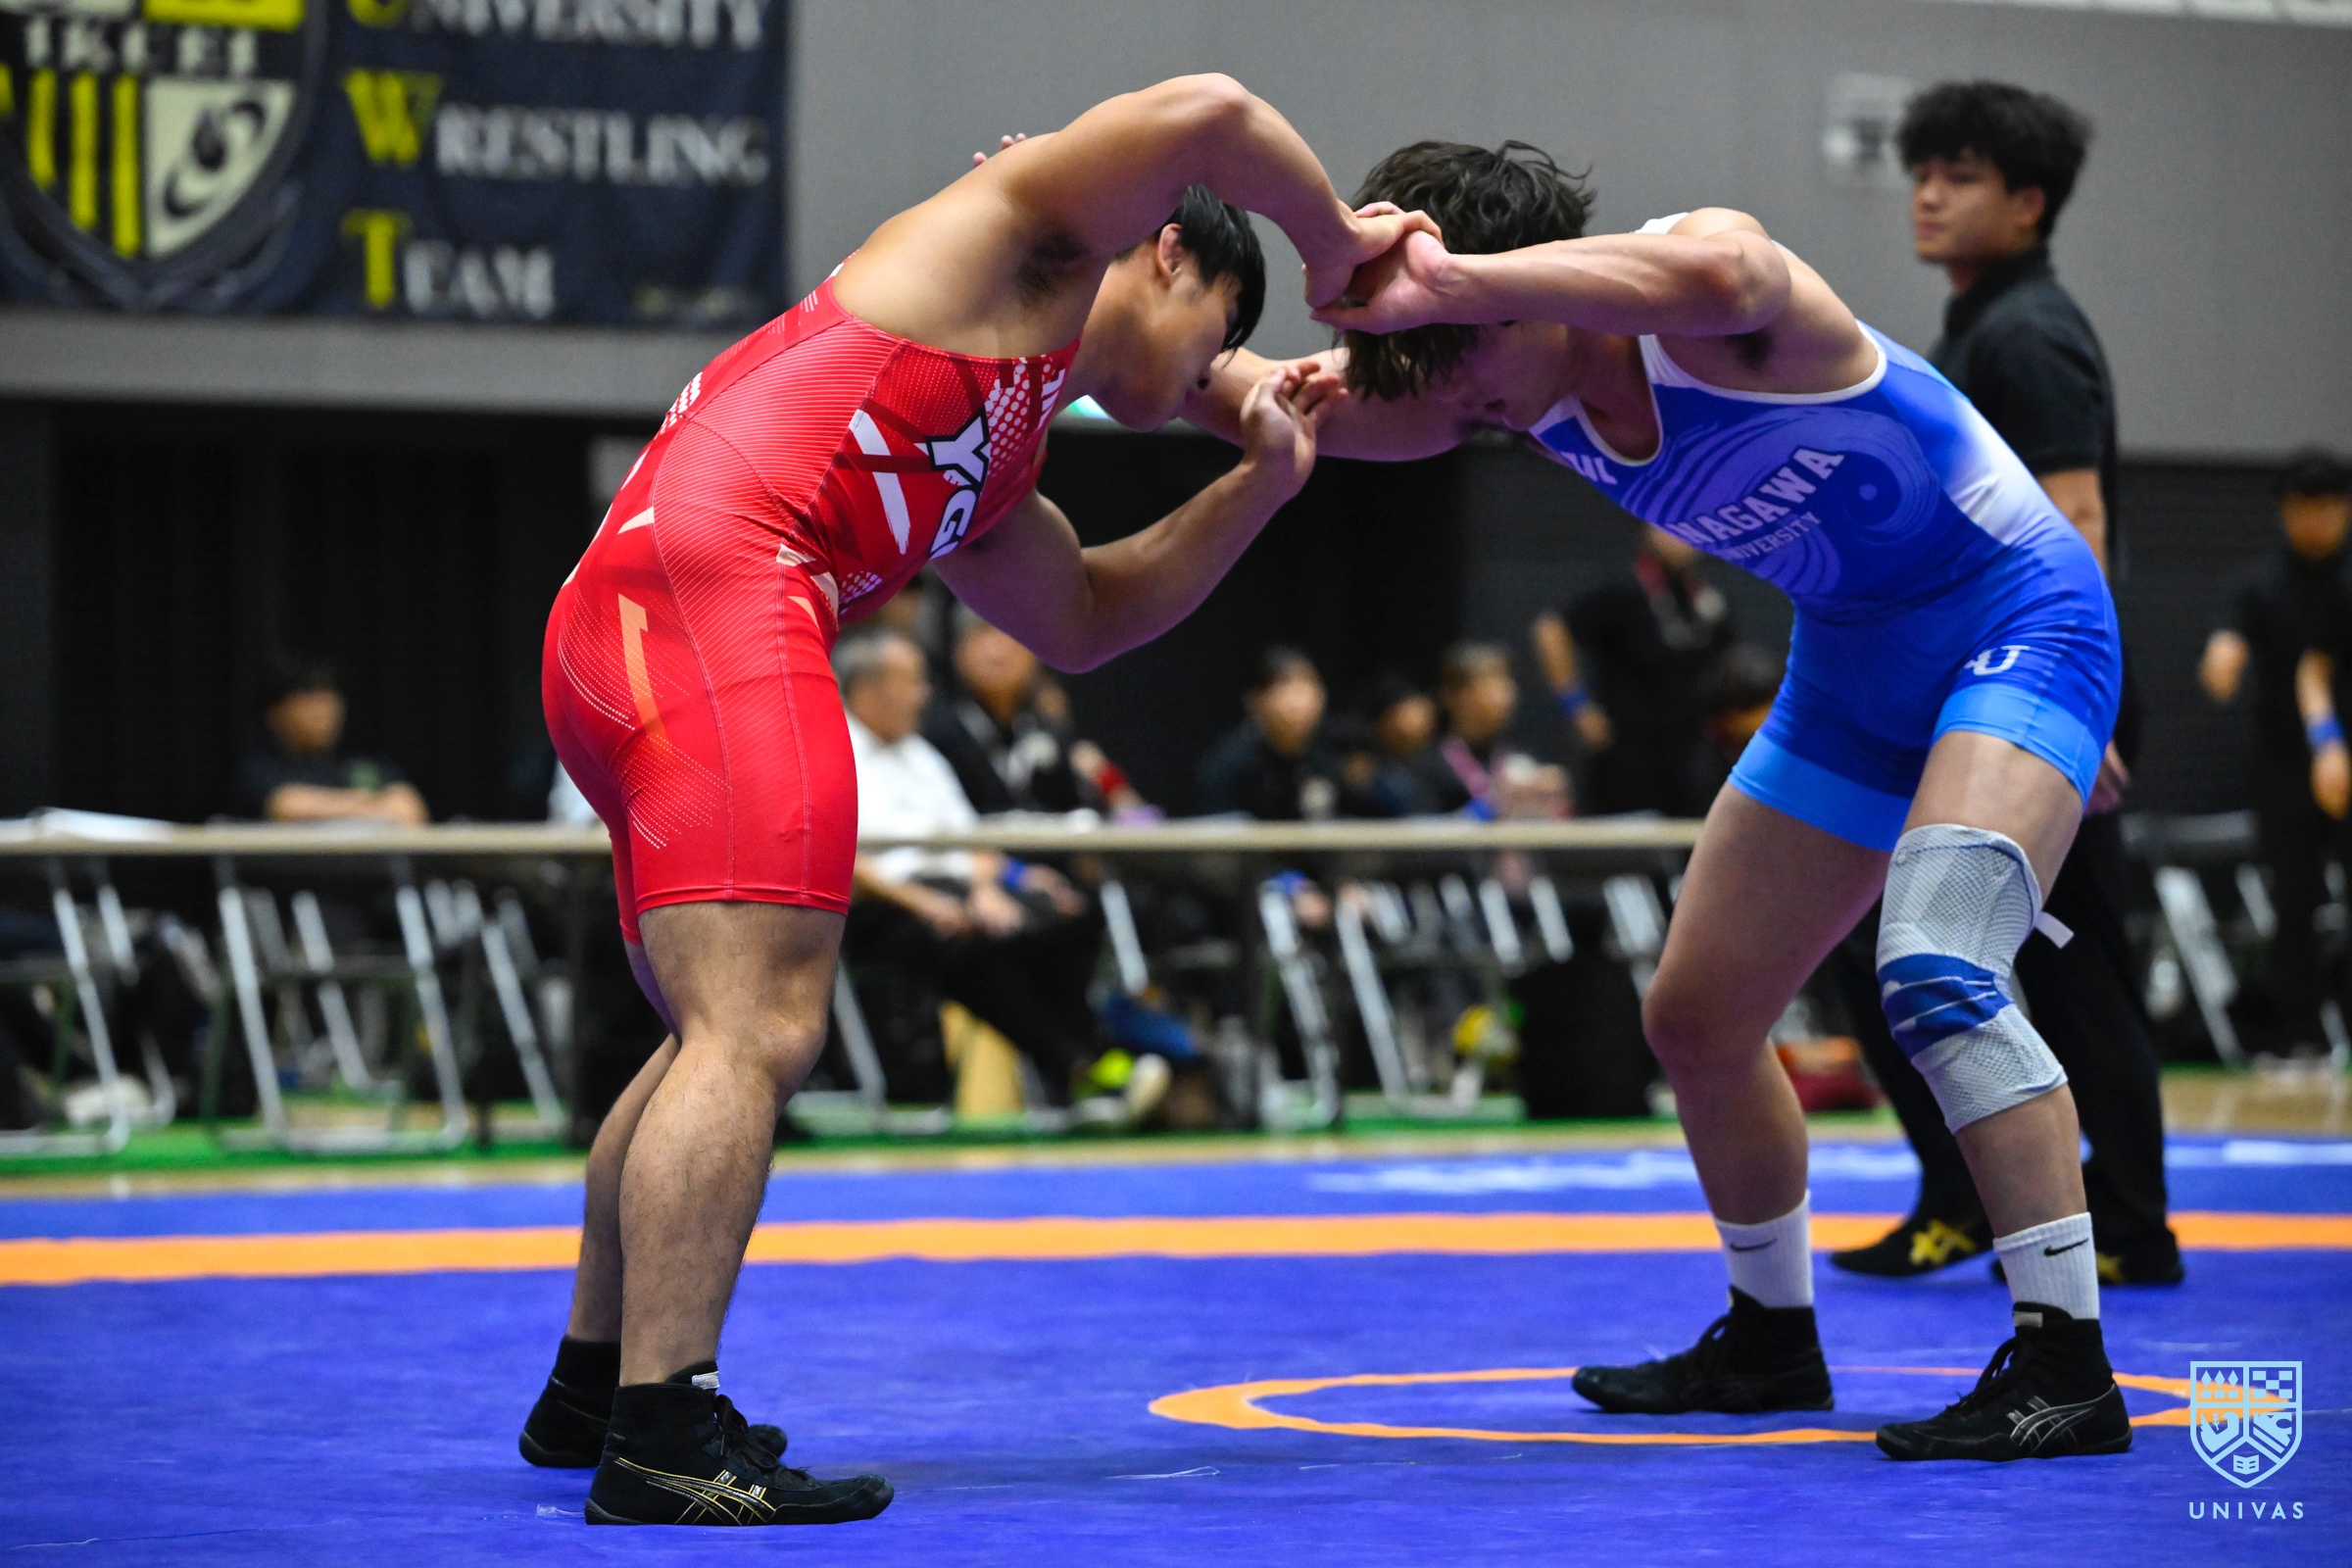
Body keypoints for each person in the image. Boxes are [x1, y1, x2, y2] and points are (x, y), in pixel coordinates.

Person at [529, 74, 1420, 1526]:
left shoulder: (1004, 439)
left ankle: (593, 1387)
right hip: (718, 594)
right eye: (1223, 330)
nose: (1218, 372)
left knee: (712, 1030)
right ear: (1170, 251)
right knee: (756, 1030)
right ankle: (664, 1432)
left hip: (627, 624)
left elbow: (1087, 617)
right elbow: (1212, 109)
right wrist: (1338, 249)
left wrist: (1264, 479)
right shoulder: (1032, 238)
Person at [1194, 136, 2134, 1461]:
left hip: (2018, 620)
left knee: (1938, 966)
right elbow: (1279, 411)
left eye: (1467, 352)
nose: (1471, 403)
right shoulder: (1508, 378)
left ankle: (2066, 1362)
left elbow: (1738, 264)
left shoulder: (1703, 299)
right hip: (1855, 672)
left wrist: (1453, 280)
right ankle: (1769, 1337)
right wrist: (1084, 331)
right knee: (1697, 1017)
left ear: (1526, 285)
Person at [1831, 81, 2180, 1289]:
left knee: (2071, 966)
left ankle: (2129, 1222)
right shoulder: (1984, 326)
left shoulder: (2028, 334)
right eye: (1924, 172)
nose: (1928, 194)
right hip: (2005, 685)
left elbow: (2079, 515)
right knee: (1901, 944)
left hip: (2046, 690)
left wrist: (2080, 706)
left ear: (2029, 203)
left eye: (1962, 176)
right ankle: (1970, 1199)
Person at [837, 630, 1163, 1117]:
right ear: (868, 690)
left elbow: (971, 838)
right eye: (911, 682)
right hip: (883, 906)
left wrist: (1001, 883)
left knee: (1066, 914)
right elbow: (845, 859)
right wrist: (929, 902)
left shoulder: (921, 753)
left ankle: (1093, 1063)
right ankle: (1078, 1069)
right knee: (972, 942)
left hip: (960, 887)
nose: (923, 695)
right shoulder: (829, 748)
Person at [2200, 449, 2352, 1056]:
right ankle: (2302, 1040)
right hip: (2289, 765)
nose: (2316, 521)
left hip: (2329, 755)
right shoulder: (2262, 586)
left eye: (2327, 508)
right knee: (2294, 903)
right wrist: (2327, 744)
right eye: (2303, 508)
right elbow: (2311, 676)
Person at [1533, 524, 1735, 817]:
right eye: (1670, 528)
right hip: (1627, 753)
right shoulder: (1623, 590)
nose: (1681, 538)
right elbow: (1551, 630)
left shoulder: (1706, 598)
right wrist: (1576, 706)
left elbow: (1728, 663)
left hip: (1690, 751)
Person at [925, 605, 1145, 816]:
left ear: (1036, 655)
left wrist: (1111, 787)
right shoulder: (937, 734)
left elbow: (1091, 803)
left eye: (1011, 636)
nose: (998, 651)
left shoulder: (1048, 728)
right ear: (958, 652)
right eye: (982, 635)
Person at [235, 656, 427, 825]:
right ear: (276, 713)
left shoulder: (361, 764)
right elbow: (287, 806)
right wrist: (367, 803)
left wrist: (329, 807)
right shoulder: (261, 768)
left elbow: (409, 808)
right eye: (309, 702)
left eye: (327, 701)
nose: (321, 713)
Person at [1197, 646, 1348, 819]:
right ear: (1256, 699)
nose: (1300, 703)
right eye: (1286, 687)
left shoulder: (1327, 759)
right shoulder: (1229, 766)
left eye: (1308, 686)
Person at [1428, 642, 1568, 819]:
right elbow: (1423, 830)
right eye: (1492, 682)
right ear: (1455, 694)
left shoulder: (1520, 759)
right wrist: (1496, 802)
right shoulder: (1431, 768)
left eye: (1508, 681)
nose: (1508, 693)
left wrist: (1551, 801)